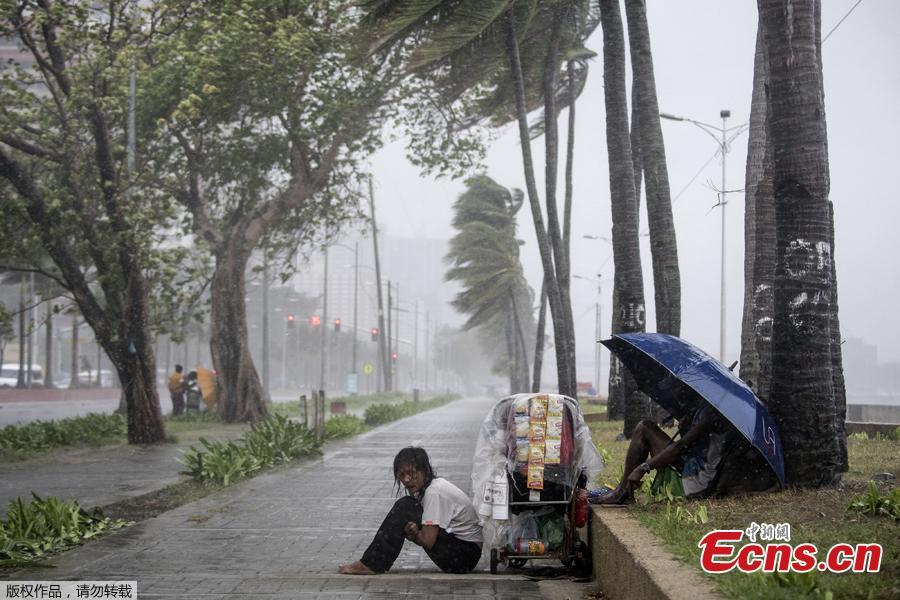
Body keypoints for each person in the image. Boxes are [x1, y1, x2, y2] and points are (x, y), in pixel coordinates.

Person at [338, 447, 483, 575]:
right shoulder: (427, 490)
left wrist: (416, 536)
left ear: (425, 471)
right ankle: (373, 563)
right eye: (401, 475)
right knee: (407, 506)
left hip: (464, 556)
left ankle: (371, 564)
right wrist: (415, 534)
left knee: (405, 507)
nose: (406, 479)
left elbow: (428, 542)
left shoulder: (434, 492)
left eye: (411, 473)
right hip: (463, 556)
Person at [593, 403, 731, 504]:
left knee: (644, 428)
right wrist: (685, 428)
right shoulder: (704, 408)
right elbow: (698, 445)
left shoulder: (712, 412)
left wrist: (643, 467)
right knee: (645, 427)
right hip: (691, 466)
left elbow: (680, 447)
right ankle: (623, 490)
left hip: (696, 480)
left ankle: (622, 492)